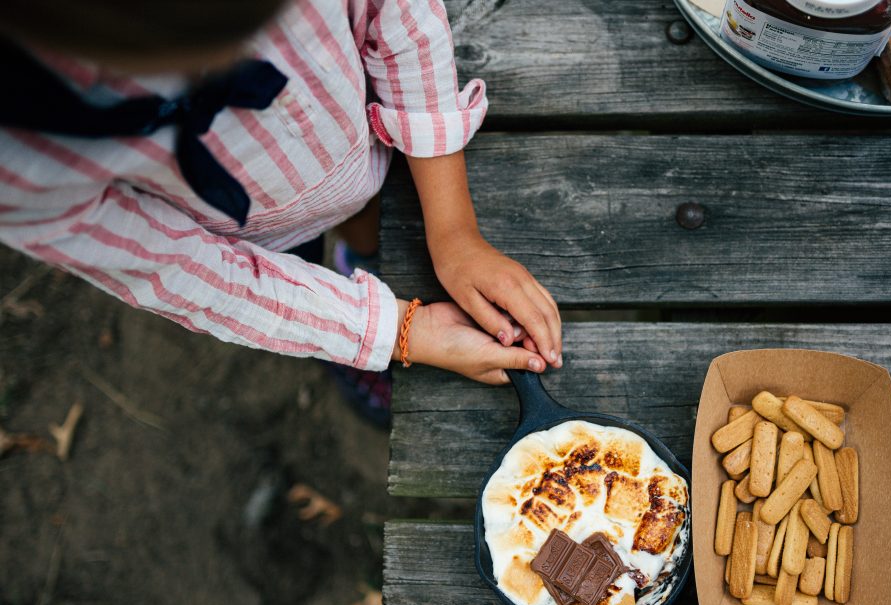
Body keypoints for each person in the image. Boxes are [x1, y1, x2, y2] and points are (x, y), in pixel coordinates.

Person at [0, 0, 562, 425]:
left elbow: (396, 17)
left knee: (363, 206)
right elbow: (180, 270)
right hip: (248, 238)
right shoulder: (18, 160)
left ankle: (359, 252)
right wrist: (392, 331)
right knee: (304, 267)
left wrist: (455, 233)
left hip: (359, 145)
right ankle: (344, 291)